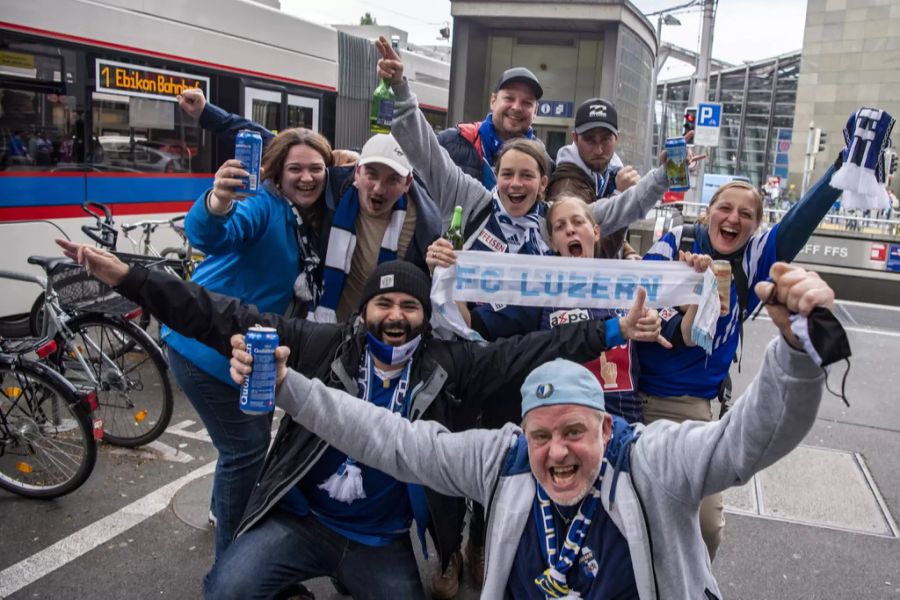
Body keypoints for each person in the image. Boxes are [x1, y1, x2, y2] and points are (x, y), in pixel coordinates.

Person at [57, 240, 666, 600]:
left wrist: (613, 329)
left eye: (409, 305)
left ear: (425, 316)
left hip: (381, 539)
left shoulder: (451, 365)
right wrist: (130, 278)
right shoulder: (322, 348)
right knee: (225, 589)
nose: (395, 316)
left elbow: (522, 354)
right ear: (365, 310)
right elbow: (219, 315)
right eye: (384, 303)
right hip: (303, 521)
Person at [234, 262, 837, 599]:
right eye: (541, 435)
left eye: (574, 431)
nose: (557, 453)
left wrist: (793, 352)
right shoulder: (501, 460)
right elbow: (387, 437)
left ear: (606, 425)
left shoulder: (654, 462)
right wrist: (290, 387)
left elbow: (749, 440)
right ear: (521, 433)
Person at [639, 161, 847, 560]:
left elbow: (799, 223)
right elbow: (636, 302)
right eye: (725, 208)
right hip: (631, 395)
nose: (733, 218)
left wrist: (841, 171)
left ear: (755, 227)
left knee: (705, 528)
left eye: (746, 214)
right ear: (708, 212)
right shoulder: (675, 241)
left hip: (691, 411)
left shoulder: (752, 262)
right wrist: (678, 300)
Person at [163, 127, 334, 561]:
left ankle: (224, 511)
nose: (308, 177)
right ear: (276, 172)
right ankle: (231, 566)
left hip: (242, 348)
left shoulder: (306, 217)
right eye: (295, 168)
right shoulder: (263, 205)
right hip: (202, 345)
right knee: (246, 448)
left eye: (316, 168)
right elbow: (211, 234)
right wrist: (216, 200)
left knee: (245, 445)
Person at [177, 88, 444, 322]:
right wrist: (217, 201)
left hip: (356, 333)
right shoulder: (269, 204)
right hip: (212, 333)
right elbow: (281, 143)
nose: (378, 188)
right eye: (371, 174)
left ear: (406, 183)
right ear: (357, 173)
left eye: (316, 168)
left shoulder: (423, 222)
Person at [435, 64, 548, 189]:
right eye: (509, 98)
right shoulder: (448, 144)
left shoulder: (545, 162)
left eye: (526, 103)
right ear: (493, 101)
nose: (516, 107)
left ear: (535, 111)